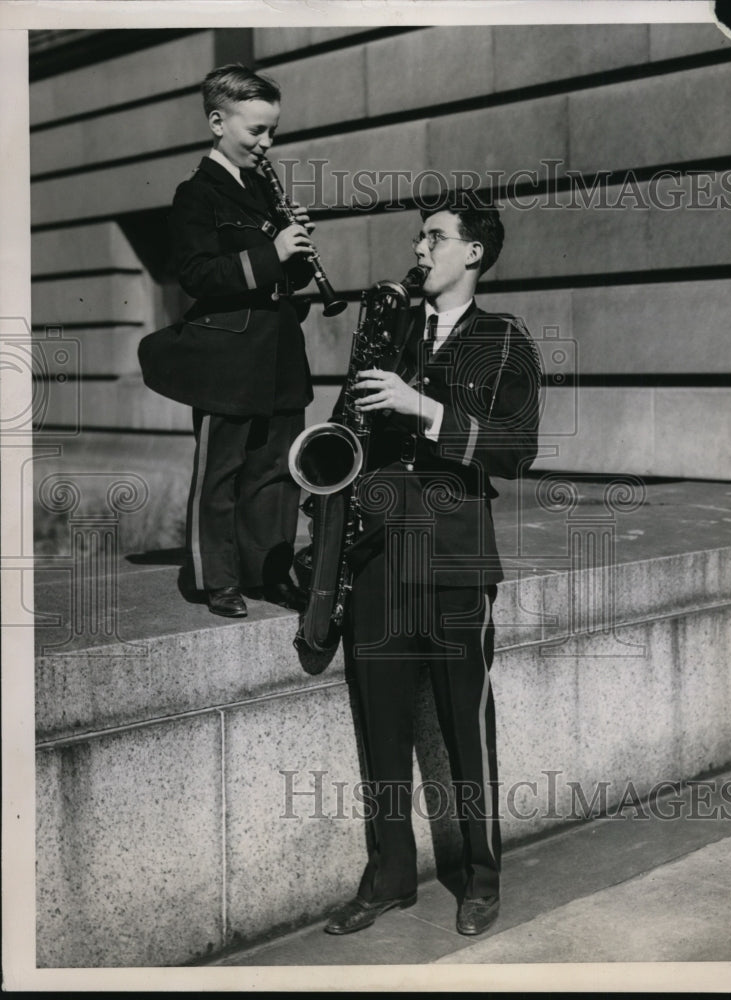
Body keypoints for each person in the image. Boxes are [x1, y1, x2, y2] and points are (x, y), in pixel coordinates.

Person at [324, 192, 541, 937]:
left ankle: (481, 877)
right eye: (418, 238)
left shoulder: (503, 338)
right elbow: (343, 433)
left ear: (473, 252)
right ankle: (388, 876)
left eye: (435, 237)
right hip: (381, 553)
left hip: (454, 558)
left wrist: (424, 409)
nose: (419, 249)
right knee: (378, 725)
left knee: (465, 726)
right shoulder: (391, 329)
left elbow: (516, 448)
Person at [139, 65, 315, 618]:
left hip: (280, 354)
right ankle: (217, 580)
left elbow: (282, 277)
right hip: (229, 360)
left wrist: (299, 260)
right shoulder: (196, 193)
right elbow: (197, 274)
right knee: (222, 474)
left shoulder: (262, 187)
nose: (267, 144)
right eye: (256, 131)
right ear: (218, 122)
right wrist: (272, 254)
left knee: (278, 470)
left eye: (272, 132)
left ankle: (270, 572)